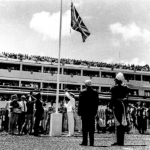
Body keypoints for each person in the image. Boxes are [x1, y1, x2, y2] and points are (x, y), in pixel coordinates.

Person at [109, 72, 130, 146]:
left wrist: (110, 106)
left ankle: (118, 141)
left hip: (116, 106)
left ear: (117, 80)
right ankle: (121, 142)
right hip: (123, 107)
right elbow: (127, 97)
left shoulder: (113, 88)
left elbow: (112, 98)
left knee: (117, 124)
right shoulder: (126, 87)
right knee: (122, 123)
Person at [78, 79, 99, 146]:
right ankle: (91, 142)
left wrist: (79, 112)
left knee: (84, 128)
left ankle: (85, 142)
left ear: (85, 85)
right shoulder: (95, 92)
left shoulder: (82, 92)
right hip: (92, 112)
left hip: (84, 112)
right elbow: (96, 103)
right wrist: (95, 111)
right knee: (91, 128)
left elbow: (80, 103)